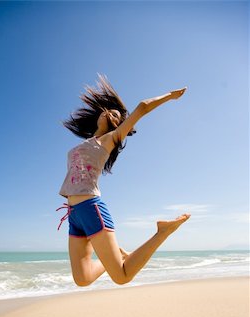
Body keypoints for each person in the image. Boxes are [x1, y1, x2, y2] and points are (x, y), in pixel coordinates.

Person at [57, 74, 190, 286]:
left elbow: (142, 107)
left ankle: (163, 231)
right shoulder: (88, 142)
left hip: (91, 207)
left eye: (117, 115)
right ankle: (119, 255)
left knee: (122, 276)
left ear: (119, 125)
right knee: (82, 279)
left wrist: (170, 96)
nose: (110, 113)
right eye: (109, 110)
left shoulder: (111, 139)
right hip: (73, 214)